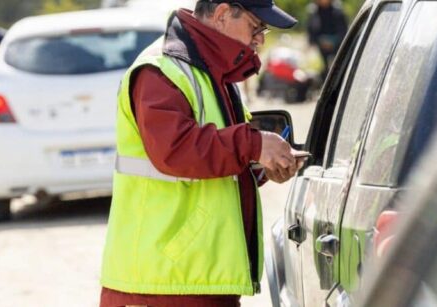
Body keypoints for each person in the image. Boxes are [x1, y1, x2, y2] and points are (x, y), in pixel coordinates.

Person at [99, 0, 303, 306]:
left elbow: (217, 158)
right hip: (157, 286)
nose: (260, 37)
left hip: (194, 281)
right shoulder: (160, 71)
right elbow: (176, 151)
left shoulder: (213, 72)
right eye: (255, 25)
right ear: (222, 14)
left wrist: (260, 167)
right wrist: (254, 145)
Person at [307, 0, 347, 80]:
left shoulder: (337, 10)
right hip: (321, 45)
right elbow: (311, 30)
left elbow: (343, 30)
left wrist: (334, 41)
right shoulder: (314, 11)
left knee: (339, 67)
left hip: (337, 45)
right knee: (324, 69)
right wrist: (318, 41)